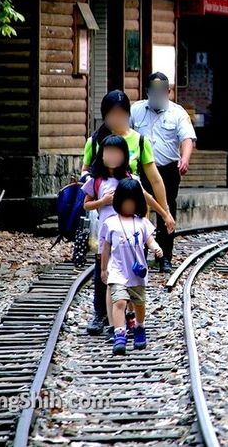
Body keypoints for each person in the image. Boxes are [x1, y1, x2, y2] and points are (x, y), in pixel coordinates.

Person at [81, 89, 175, 335]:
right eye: (112, 114)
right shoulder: (95, 141)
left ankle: (130, 317)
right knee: (104, 269)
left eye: (122, 114)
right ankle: (101, 315)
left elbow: (152, 182)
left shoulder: (139, 142)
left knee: (132, 270)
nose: (117, 119)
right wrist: (98, 193)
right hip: (105, 223)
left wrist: (165, 213)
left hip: (133, 220)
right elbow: (84, 177)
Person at [131, 72, 195, 273]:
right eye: (153, 92)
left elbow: (187, 138)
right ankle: (139, 255)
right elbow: (125, 135)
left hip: (167, 170)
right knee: (139, 212)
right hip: (142, 169)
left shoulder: (177, 113)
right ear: (147, 92)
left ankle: (165, 257)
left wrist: (184, 158)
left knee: (166, 212)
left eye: (161, 92)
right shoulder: (136, 110)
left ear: (168, 92)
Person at [99, 178, 162, 355]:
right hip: (118, 271)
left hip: (137, 273)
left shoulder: (142, 223)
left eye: (132, 203)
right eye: (125, 202)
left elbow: (149, 240)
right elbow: (106, 248)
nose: (128, 206)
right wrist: (104, 269)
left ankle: (140, 327)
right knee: (119, 302)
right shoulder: (110, 223)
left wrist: (156, 248)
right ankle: (120, 334)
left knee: (139, 304)